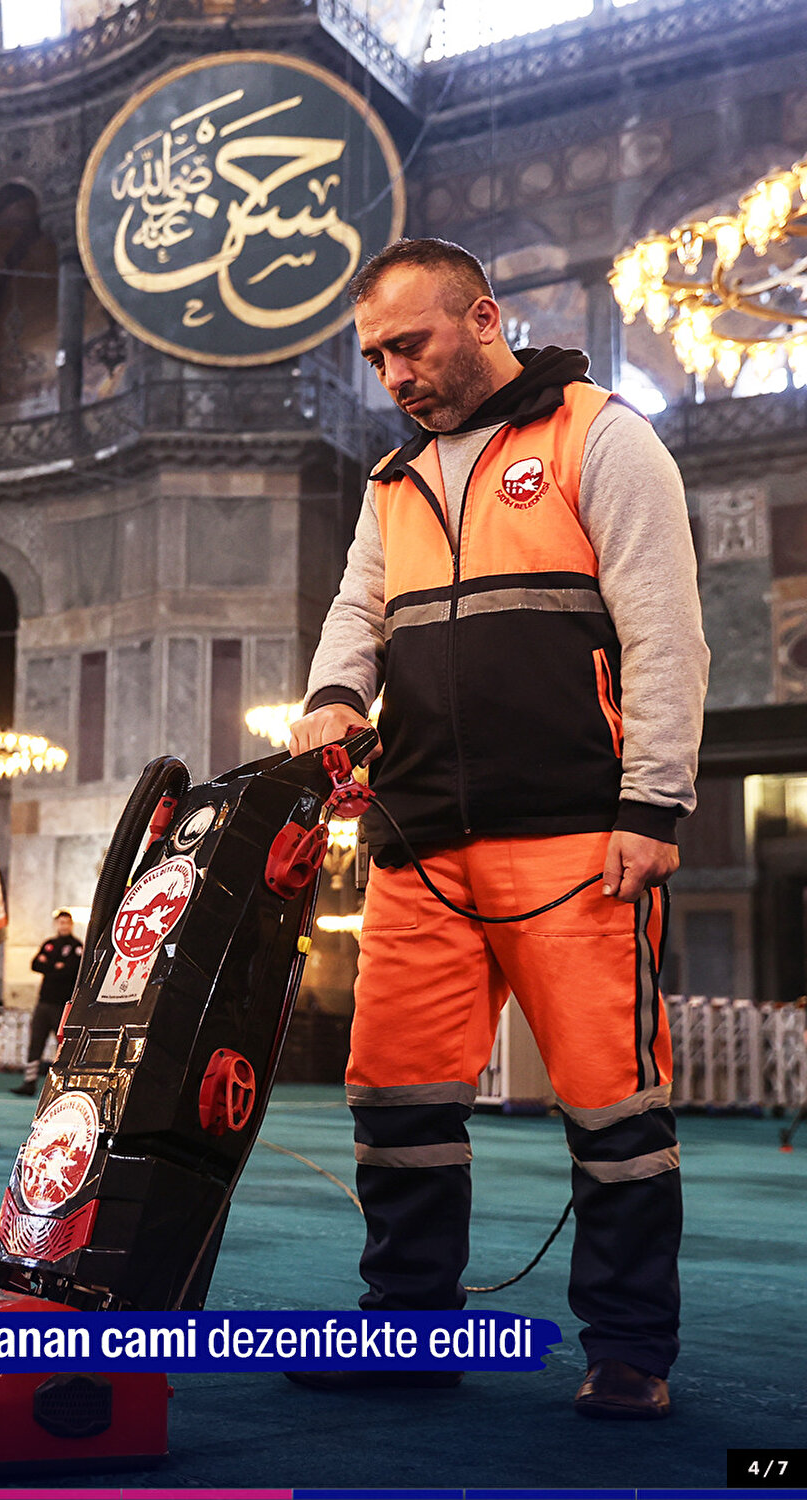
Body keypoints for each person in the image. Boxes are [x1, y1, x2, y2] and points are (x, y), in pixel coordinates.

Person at [286, 238, 709, 1420]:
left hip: (578, 838)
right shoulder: (394, 480)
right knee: (396, 1102)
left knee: (614, 1109)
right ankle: (407, 1328)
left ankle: (630, 1351)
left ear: (483, 318)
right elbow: (357, 610)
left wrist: (653, 804)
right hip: (418, 844)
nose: (393, 376)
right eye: (376, 358)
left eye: (409, 346)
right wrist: (334, 697)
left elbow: (665, 632)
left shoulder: (601, 436)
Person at [12, 909, 83, 1097]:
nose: (63, 926)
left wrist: (50, 966)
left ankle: (64, 1083)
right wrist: (56, 966)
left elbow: (71, 971)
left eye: (66, 923)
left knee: (63, 1045)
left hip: (61, 1004)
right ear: (56, 924)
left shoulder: (76, 946)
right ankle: (29, 1082)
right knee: (36, 1042)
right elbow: (35, 964)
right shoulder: (50, 944)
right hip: (43, 1002)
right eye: (60, 922)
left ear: (71, 925)